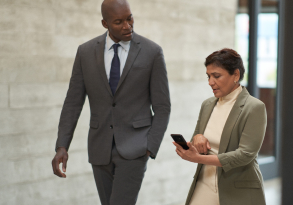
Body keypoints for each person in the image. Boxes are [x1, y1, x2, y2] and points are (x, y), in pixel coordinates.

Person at [51, 0, 171, 204]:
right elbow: (73, 102)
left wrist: (150, 145)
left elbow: (162, 106)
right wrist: (62, 146)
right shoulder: (85, 52)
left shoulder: (152, 52)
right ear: (104, 24)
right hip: (100, 148)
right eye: (119, 21)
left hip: (135, 148)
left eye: (129, 18)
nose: (127, 25)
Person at [173, 48, 267, 205]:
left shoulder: (254, 107)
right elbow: (195, 139)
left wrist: (198, 158)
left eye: (216, 76)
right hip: (204, 183)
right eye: (208, 76)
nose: (210, 82)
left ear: (235, 75)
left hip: (237, 191)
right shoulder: (208, 104)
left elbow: (246, 154)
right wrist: (197, 138)